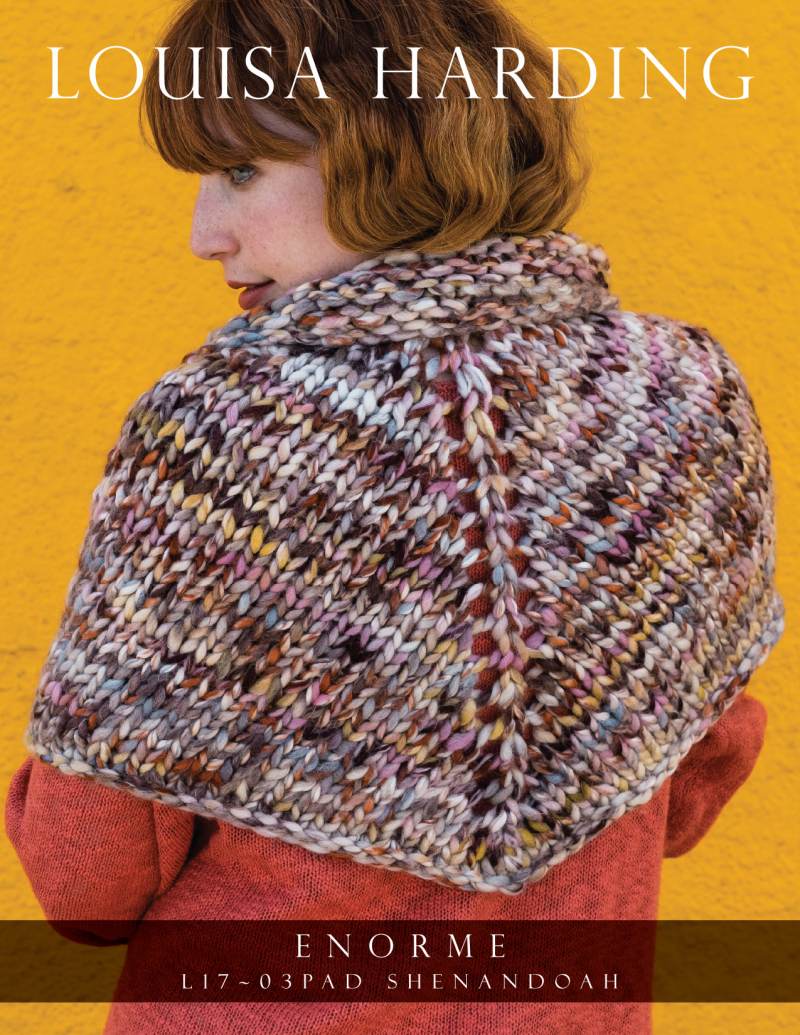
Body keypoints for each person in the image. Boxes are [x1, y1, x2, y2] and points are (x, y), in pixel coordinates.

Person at [4, 2, 783, 1033]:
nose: (202, 234)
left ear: (389, 148)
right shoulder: (677, 395)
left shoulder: (224, 434)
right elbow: (694, 776)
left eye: (240, 171)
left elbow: (89, 880)